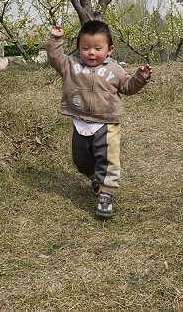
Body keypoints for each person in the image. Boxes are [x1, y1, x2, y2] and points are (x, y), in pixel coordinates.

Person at [47, 20, 152, 218]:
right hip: (79, 121)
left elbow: (128, 87)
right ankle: (96, 178)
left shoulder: (115, 70)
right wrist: (56, 39)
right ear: (79, 48)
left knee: (107, 159)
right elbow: (54, 57)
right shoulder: (71, 66)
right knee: (78, 161)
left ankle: (106, 194)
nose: (91, 53)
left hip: (106, 123)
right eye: (86, 48)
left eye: (98, 48)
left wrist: (140, 78)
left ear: (110, 49)